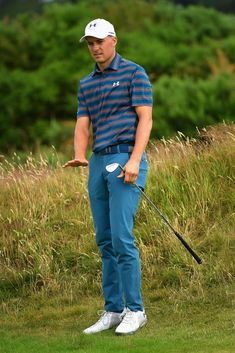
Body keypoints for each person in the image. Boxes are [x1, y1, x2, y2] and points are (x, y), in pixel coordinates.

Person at [63, 18, 153, 335]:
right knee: (104, 241)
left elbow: (146, 119)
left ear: (114, 40)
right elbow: (82, 123)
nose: (95, 47)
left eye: (100, 41)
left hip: (125, 158)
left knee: (121, 238)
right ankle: (114, 309)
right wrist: (79, 153)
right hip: (99, 162)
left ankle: (136, 310)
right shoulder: (87, 83)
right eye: (90, 42)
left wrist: (135, 159)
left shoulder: (134, 73)